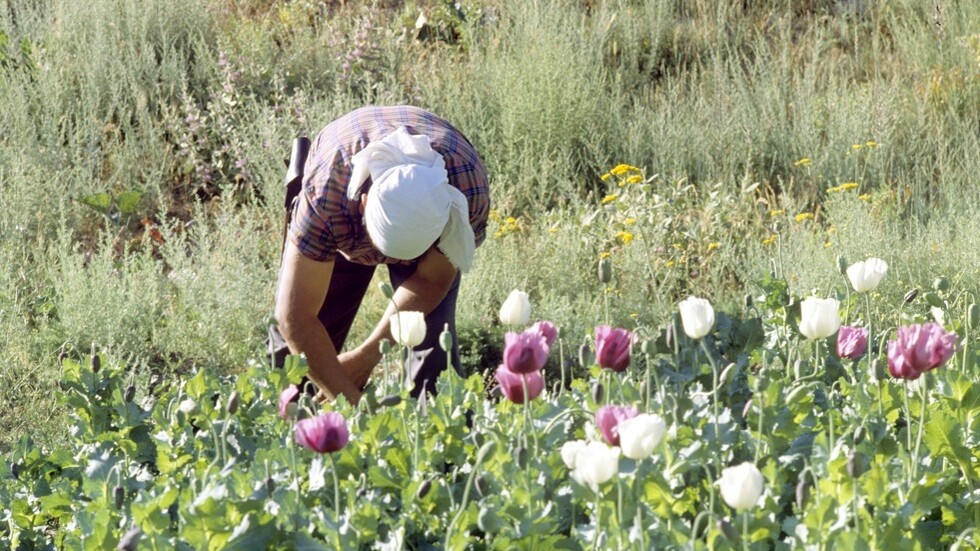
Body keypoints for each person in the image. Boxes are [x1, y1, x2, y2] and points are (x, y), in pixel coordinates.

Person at [270, 105, 489, 404]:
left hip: (423, 236)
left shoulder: (465, 189)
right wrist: (352, 406)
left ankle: (435, 440)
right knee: (297, 361)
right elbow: (295, 317)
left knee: (431, 350)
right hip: (342, 219)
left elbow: (430, 280)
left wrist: (366, 357)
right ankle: (285, 430)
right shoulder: (327, 194)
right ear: (363, 203)